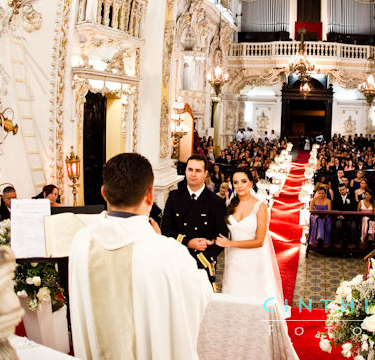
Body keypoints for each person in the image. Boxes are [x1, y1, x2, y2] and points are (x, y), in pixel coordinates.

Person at [69, 153, 211, 359]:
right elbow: (200, 294)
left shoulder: (81, 242)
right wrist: (161, 241)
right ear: (150, 195)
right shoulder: (168, 253)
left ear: (104, 194)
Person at [215, 168, 288, 315]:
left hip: (254, 260)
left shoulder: (260, 206)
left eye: (243, 181)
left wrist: (230, 244)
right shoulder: (230, 204)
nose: (239, 186)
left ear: (250, 182)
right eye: (235, 182)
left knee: (254, 300)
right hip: (234, 261)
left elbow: (260, 241)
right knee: (234, 299)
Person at [161, 154, 228, 285]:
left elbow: (222, 236)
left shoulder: (216, 202)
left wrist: (202, 260)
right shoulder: (174, 197)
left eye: (198, 171)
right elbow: (166, 229)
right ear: (185, 171)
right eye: (190, 169)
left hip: (202, 263)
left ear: (205, 174)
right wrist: (188, 242)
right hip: (176, 260)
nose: (193, 174)